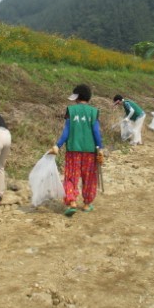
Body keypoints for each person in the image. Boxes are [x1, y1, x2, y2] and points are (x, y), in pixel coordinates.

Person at [48, 84, 104, 216]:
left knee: (71, 177)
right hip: (90, 152)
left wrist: (58, 145)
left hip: (73, 150)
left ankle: (72, 202)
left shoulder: (71, 111)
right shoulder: (93, 112)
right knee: (89, 177)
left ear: (77, 97)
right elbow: (96, 132)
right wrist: (100, 148)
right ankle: (86, 204)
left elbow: (66, 131)